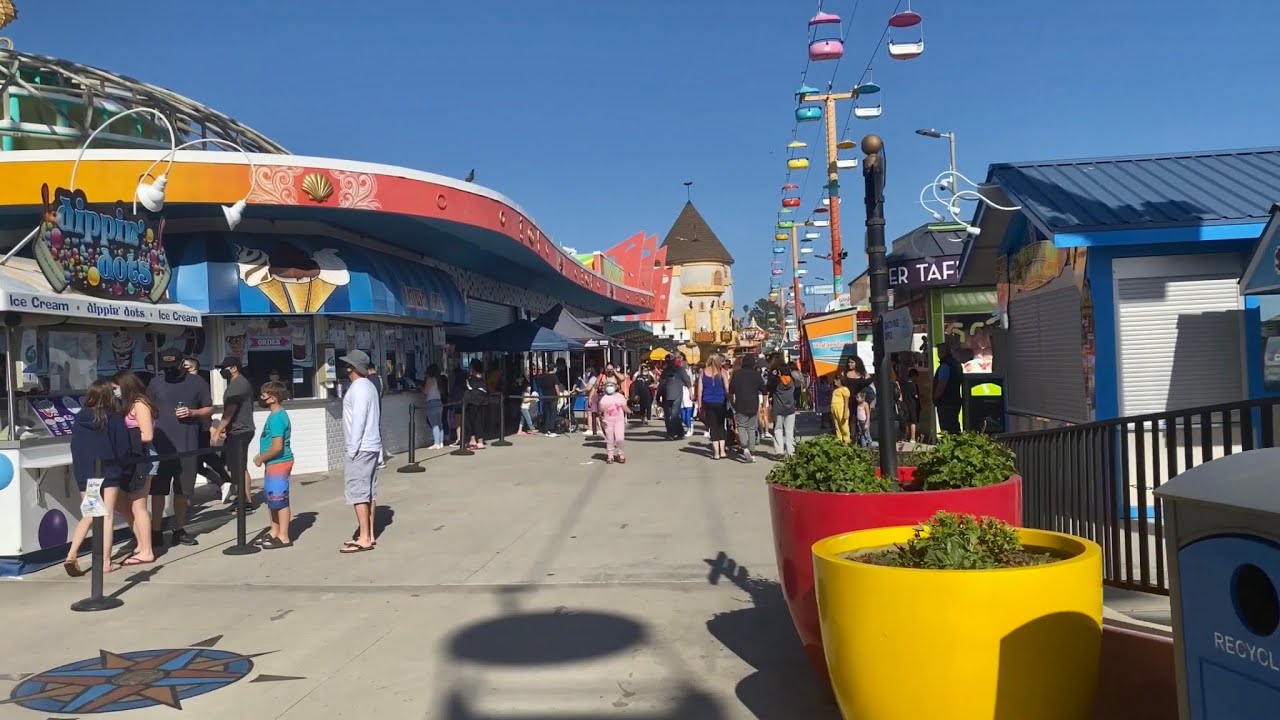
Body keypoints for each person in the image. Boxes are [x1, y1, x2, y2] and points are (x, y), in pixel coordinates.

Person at [66, 379, 134, 577]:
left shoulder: (80, 418)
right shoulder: (113, 418)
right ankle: (105, 562)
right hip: (109, 471)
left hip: (85, 472)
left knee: (89, 514)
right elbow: (123, 448)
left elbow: (74, 446)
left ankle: (71, 554)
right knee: (107, 515)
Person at [149, 348, 213, 547]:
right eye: (165, 367)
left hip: (187, 446)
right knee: (158, 491)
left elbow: (209, 408)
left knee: (182, 491)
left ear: (181, 363)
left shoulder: (197, 383)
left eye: (172, 366)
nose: (169, 371)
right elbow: (146, 407)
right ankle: (156, 531)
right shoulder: (156, 382)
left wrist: (193, 412)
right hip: (160, 446)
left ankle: (179, 529)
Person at [340, 349, 381, 553]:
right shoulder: (369, 386)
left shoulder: (359, 388)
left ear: (353, 368)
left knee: (358, 492)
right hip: (371, 445)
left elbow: (359, 418)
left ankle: (364, 536)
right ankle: (369, 534)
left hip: (361, 447)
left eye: (348, 365)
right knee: (368, 492)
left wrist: (352, 447)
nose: (345, 368)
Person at [114, 371, 157, 565]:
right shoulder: (126, 405)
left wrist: (124, 441)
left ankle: (147, 550)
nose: (113, 391)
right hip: (130, 458)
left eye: (115, 387)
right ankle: (141, 542)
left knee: (139, 505)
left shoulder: (140, 404)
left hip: (143, 457)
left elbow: (147, 435)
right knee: (124, 503)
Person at [210, 356, 255, 516]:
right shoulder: (235, 384)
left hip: (241, 431)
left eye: (225, 368)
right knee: (237, 467)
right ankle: (243, 499)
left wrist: (217, 431)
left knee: (239, 467)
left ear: (234, 368)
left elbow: (229, 412)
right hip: (237, 430)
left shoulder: (238, 385)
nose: (222, 371)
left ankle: (246, 502)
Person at [184, 358, 233, 502]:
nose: (184, 371)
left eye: (187, 368)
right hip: (192, 429)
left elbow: (206, 409)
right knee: (201, 461)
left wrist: (211, 428)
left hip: (200, 428)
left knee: (200, 459)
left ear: (194, 369)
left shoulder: (198, 385)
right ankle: (226, 482)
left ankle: (225, 482)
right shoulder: (184, 385)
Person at [253, 380, 294, 548]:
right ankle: (274, 531)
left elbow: (277, 446)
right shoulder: (275, 415)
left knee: (280, 500)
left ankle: (283, 536)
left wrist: (261, 458)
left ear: (272, 398)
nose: (261, 398)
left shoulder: (277, 418)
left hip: (279, 462)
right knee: (272, 499)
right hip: (273, 463)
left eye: (263, 395)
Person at [728, 353, 765, 462]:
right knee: (752, 428)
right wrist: (764, 403)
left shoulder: (737, 374)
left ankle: (744, 446)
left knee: (742, 426)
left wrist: (732, 402)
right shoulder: (756, 374)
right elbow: (764, 390)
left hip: (740, 404)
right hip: (753, 404)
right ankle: (752, 450)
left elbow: (731, 391)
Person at [765, 355, 802, 458]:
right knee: (789, 431)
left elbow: (769, 387)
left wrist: (773, 375)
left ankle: (779, 452)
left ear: (780, 372)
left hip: (778, 408)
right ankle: (791, 451)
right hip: (790, 408)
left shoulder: (777, 382)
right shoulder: (792, 381)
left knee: (778, 429)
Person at [695, 354, 730, 460]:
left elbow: (700, 390)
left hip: (708, 402)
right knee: (720, 425)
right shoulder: (722, 372)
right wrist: (729, 400)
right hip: (720, 402)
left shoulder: (703, 372)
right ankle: (723, 451)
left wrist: (700, 404)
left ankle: (716, 453)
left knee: (713, 426)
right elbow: (727, 388)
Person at [934, 342, 965, 435]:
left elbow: (941, 386)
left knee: (947, 429)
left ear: (943, 352)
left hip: (945, 402)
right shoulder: (956, 364)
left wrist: (935, 398)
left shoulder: (945, 366)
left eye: (939, 351)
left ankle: (951, 446)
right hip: (955, 400)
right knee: (954, 426)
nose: (938, 354)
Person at [598, 379, 629, 464]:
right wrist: (601, 421)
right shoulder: (603, 399)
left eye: (611, 385)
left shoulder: (620, 396)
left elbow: (624, 406)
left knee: (620, 438)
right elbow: (600, 410)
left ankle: (620, 453)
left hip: (619, 420)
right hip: (608, 421)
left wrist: (630, 411)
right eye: (607, 385)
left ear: (615, 387)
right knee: (610, 439)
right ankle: (610, 456)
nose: (609, 387)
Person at [463, 360, 489, 450]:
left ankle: (476, 440)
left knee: (472, 422)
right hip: (480, 402)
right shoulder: (482, 379)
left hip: (472, 402)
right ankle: (476, 440)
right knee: (478, 421)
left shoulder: (470, 380)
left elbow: (468, 389)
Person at [422, 363, 447, 449]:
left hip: (431, 402)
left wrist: (420, 388)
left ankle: (436, 443)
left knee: (434, 424)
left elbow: (426, 391)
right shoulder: (439, 379)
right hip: (439, 402)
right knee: (440, 423)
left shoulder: (430, 379)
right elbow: (441, 391)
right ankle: (441, 442)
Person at [831, 375, 851, 444]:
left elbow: (846, 401)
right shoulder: (835, 390)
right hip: (835, 410)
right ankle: (839, 440)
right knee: (837, 426)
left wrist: (845, 412)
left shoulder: (844, 389)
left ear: (840, 381)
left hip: (841, 409)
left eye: (836, 380)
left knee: (844, 426)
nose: (834, 382)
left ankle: (846, 441)